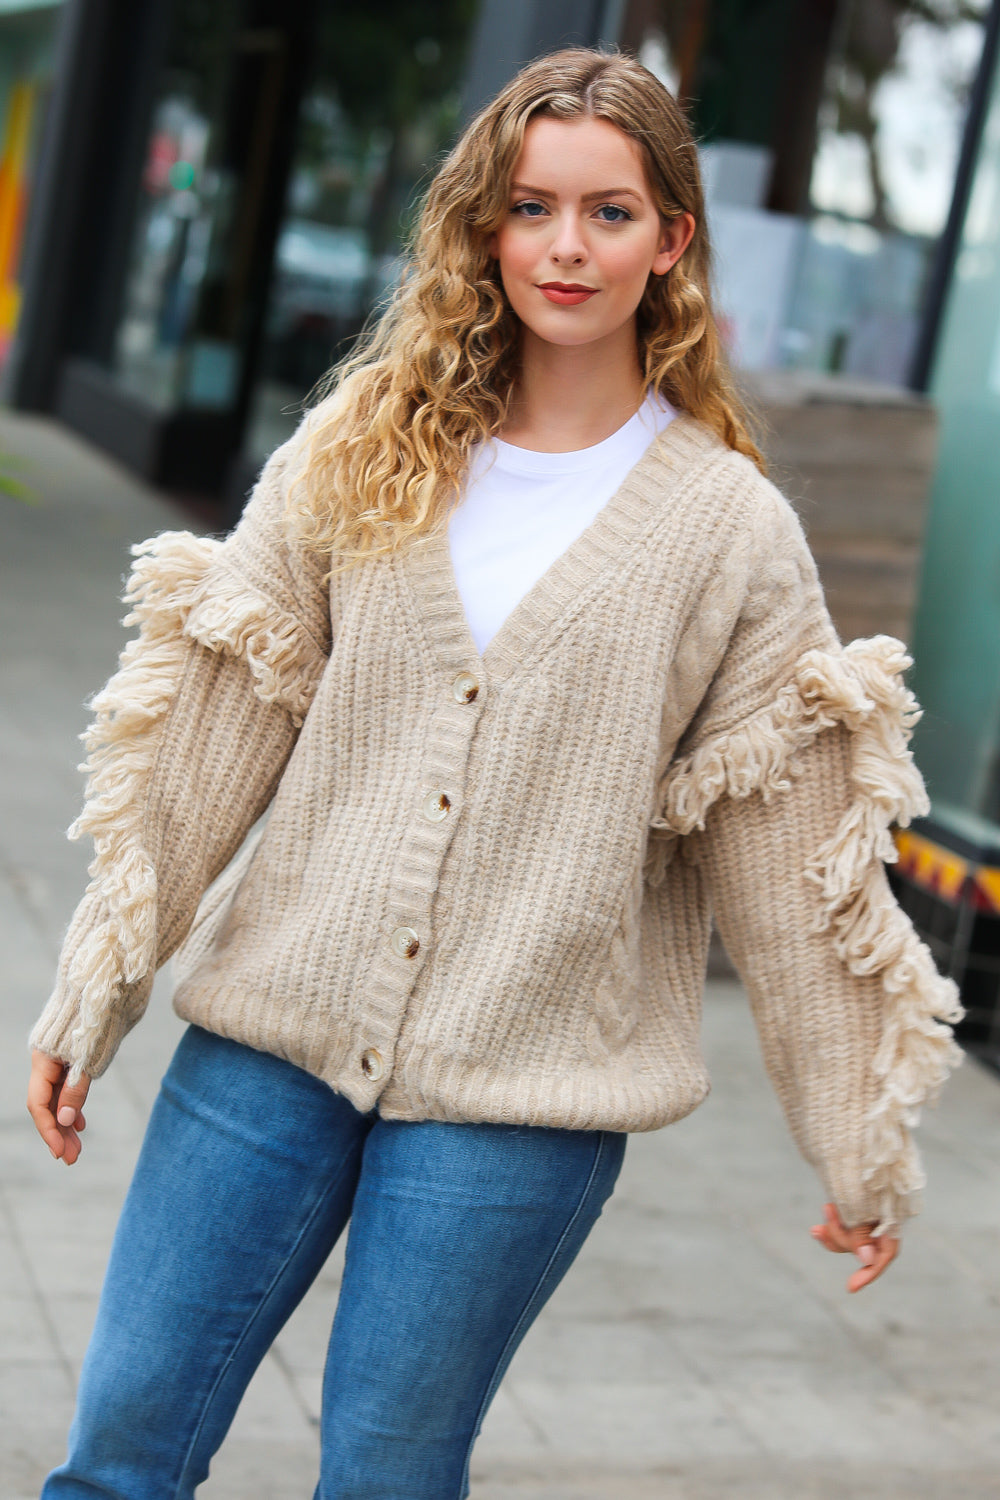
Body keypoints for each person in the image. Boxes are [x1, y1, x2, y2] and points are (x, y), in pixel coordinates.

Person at [27, 45, 962, 1500]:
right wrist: (101, 982)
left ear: (674, 242)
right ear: (487, 226)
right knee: (121, 1458)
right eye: (531, 209)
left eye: (608, 212)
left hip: (524, 1096)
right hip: (269, 1043)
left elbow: (794, 861)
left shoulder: (728, 529)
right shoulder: (361, 446)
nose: (565, 248)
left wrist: (859, 1140)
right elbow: (213, 733)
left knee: (389, 1481)